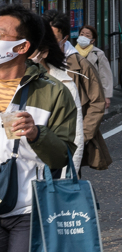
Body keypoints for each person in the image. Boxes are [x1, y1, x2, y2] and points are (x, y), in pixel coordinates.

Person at [0, 5, 78, 252]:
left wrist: (36, 134)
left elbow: (62, 156)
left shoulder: (52, 92)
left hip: (28, 208)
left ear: (21, 46)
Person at [43, 11, 105, 173]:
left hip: (67, 139)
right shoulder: (32, 62)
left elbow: (97, 101)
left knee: (66, 187)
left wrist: (83, 135)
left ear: (65, 38)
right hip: (36, 138)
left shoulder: (80, 65)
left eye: (54, 39)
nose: (48, 43)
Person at [32, 23, 84, 174]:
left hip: (48, 174)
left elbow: (75, 137)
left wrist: (67, 177)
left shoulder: (63, 85)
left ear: (44, 51)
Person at [75, 25, 113, 111]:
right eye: (82, 34)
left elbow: (105, 76)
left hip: (93, 94)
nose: (83, 37)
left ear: (93, 40)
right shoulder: (71, 53)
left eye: (87, 35)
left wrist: (107, 96)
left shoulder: (98, 54)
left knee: (92, 120)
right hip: (76, 93)